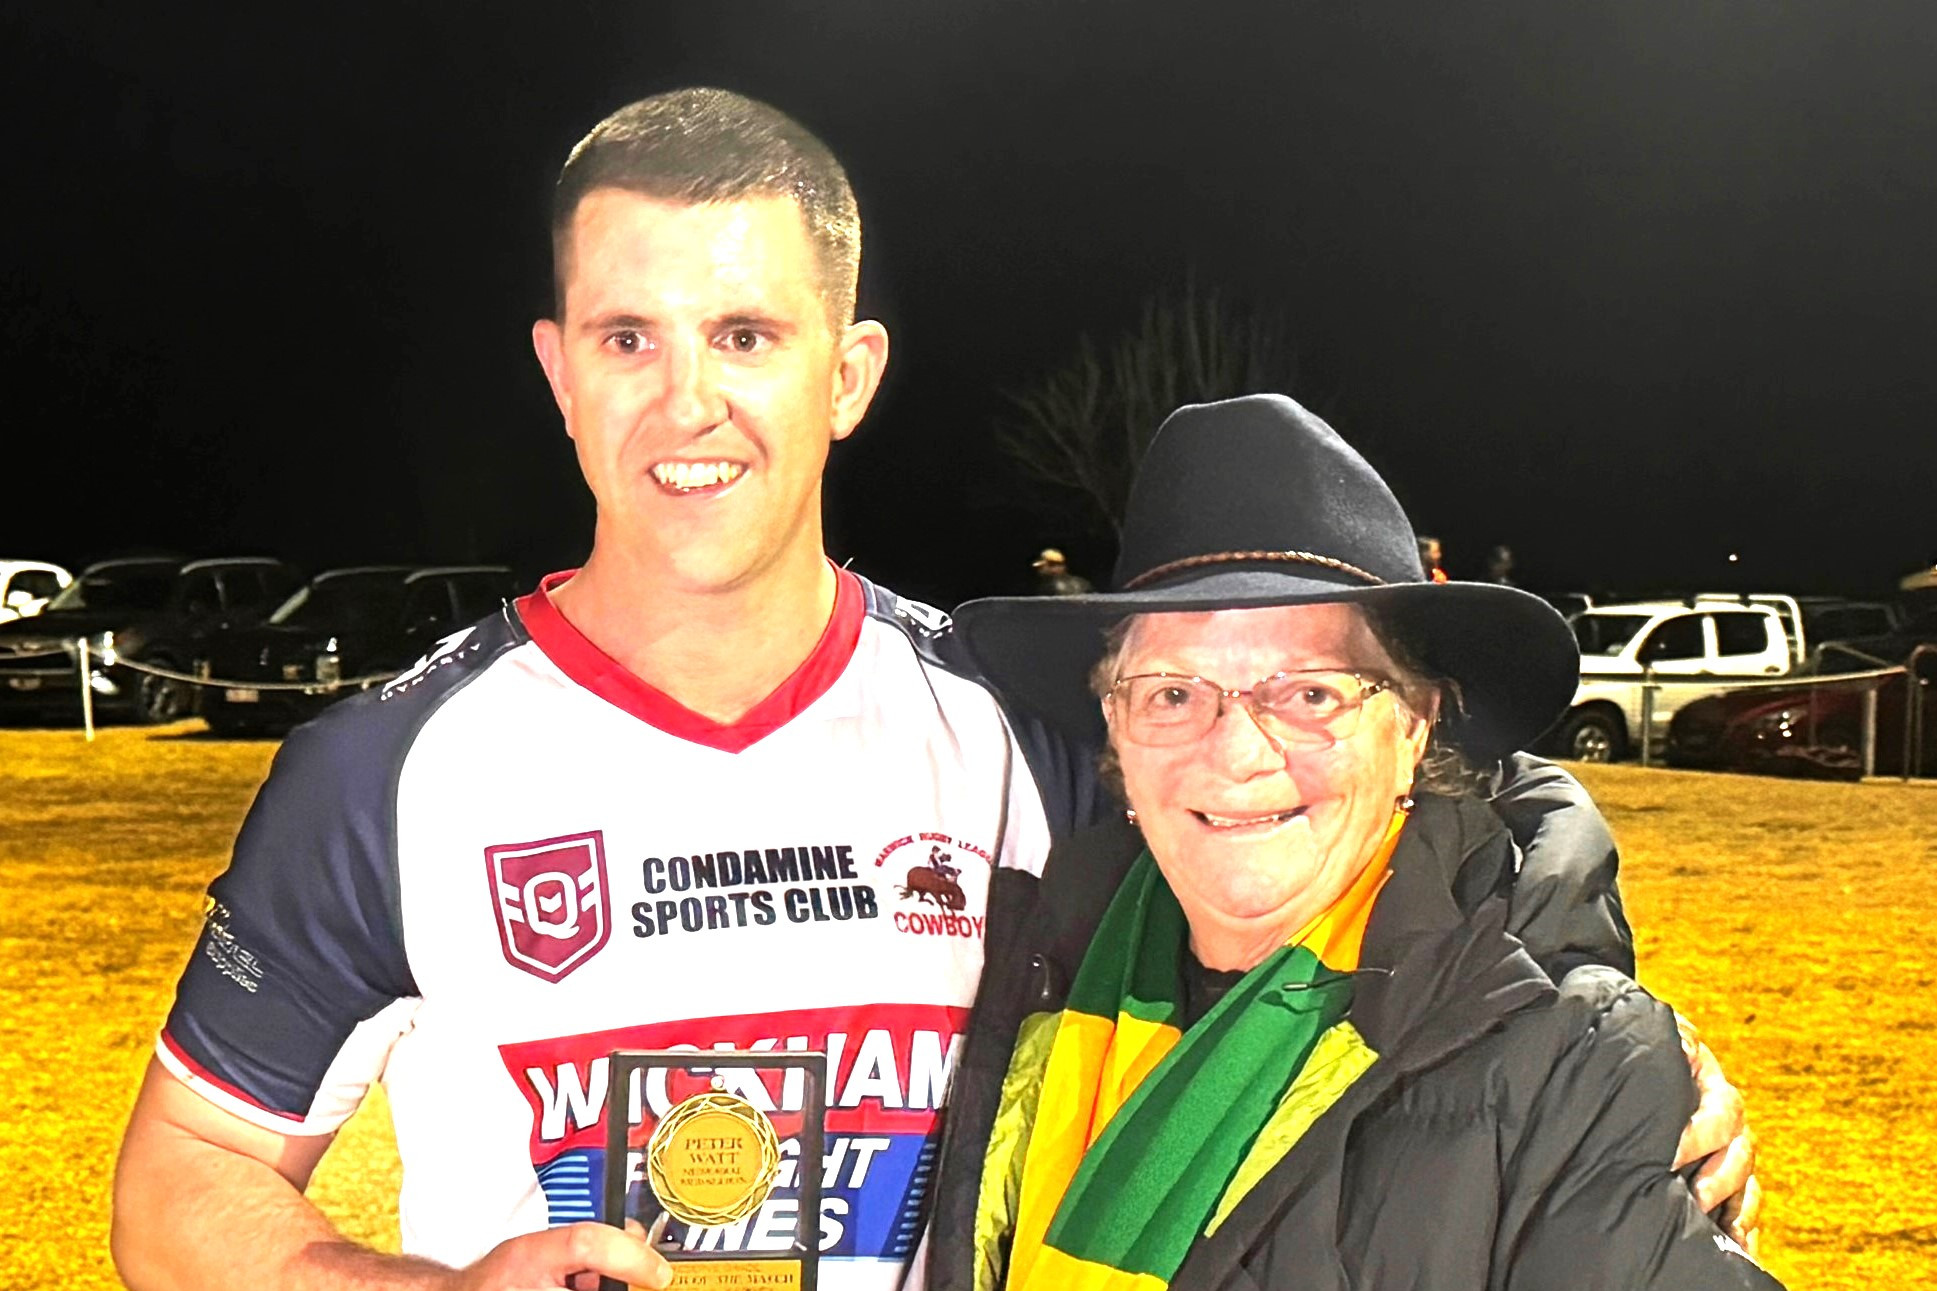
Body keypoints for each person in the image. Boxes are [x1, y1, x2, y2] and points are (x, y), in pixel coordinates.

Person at [110, 92, 1754, 1291]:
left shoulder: (1020, 716)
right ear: (556, 369)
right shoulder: (382, 768)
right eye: (627, 338)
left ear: (850, 371)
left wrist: (1600, 1060)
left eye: (747, 333)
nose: (688, 403)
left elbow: (1382, 813)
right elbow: (183, 1178)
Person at [930, 394, 1777, 1289]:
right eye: (1171, 693)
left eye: (1309, 694)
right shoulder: (1033, 984)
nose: (1237, 752)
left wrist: (1621, 1081)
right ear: (1114, 733)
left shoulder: (1574, 1067)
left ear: (1414, 724)